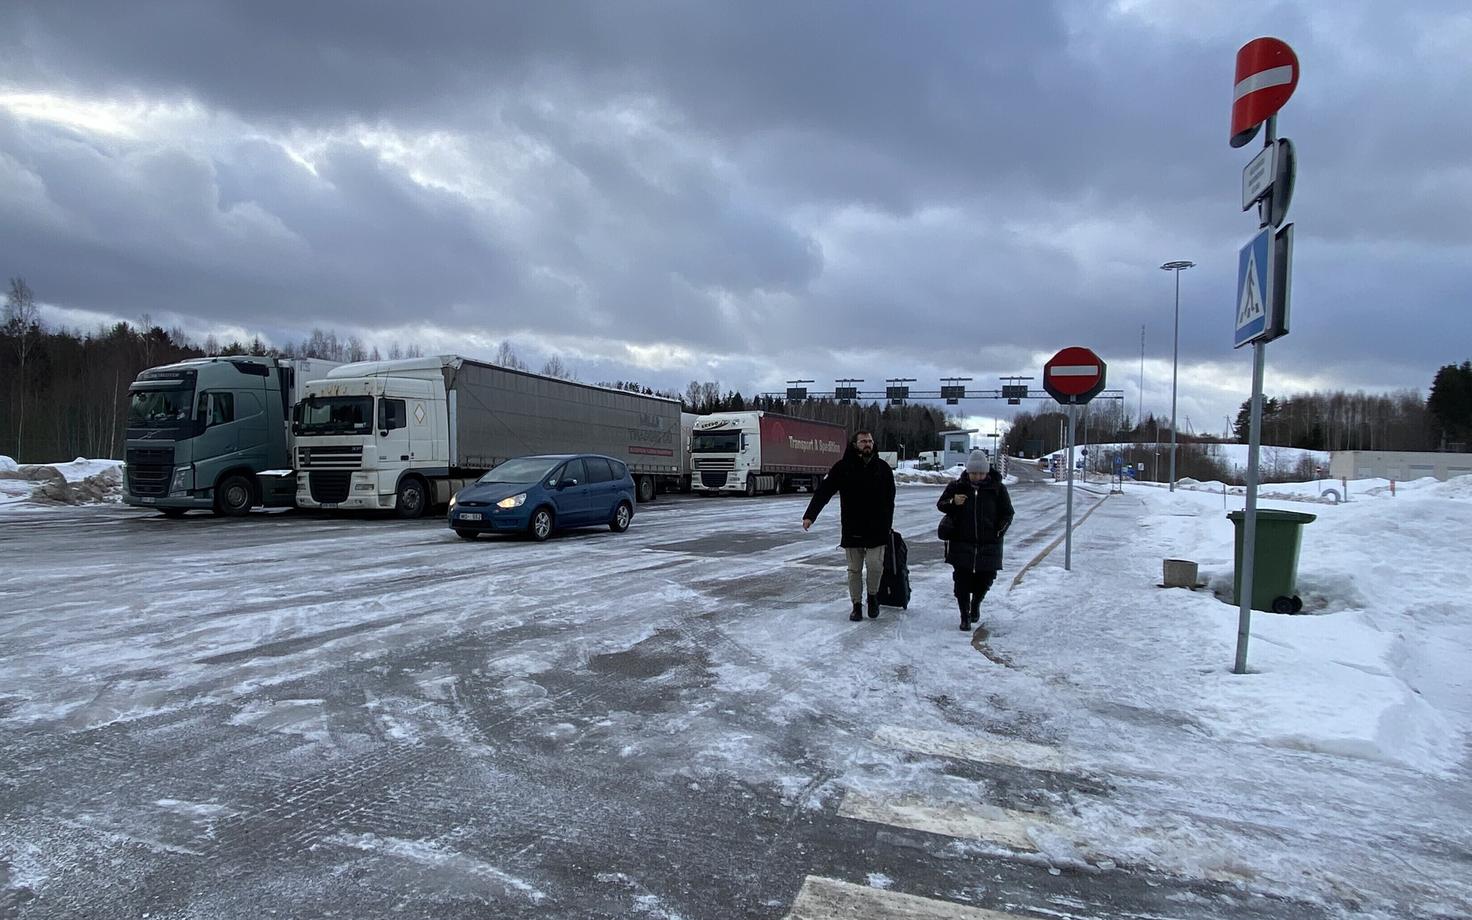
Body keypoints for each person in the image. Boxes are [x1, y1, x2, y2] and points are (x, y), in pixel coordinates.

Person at [802, 430, 896, 621]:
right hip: (853, 528)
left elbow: (890, 499)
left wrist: (887, 523)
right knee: (854, 569)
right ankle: (856, 605)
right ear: (854, 444)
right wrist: (810, 516)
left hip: (877, 529)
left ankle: (873, 597)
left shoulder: (883, 468)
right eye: (863, 441)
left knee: (875, 565)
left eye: (870, 440)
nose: (868, 444)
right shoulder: (843, 467)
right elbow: (824, 492)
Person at [938, 451, 1014, 631]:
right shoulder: (957, 486)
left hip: (989, 543)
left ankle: (976, 604)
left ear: (986, 472)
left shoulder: (998, 489)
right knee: (961, 581)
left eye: (981, 473)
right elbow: (941, 504)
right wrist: (953, 501)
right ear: (968, 471)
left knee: (985, 579)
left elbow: (1008, 513)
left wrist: (999, 531)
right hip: (961, 541)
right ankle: (964, 615)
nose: (977, 477)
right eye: (974, 473)